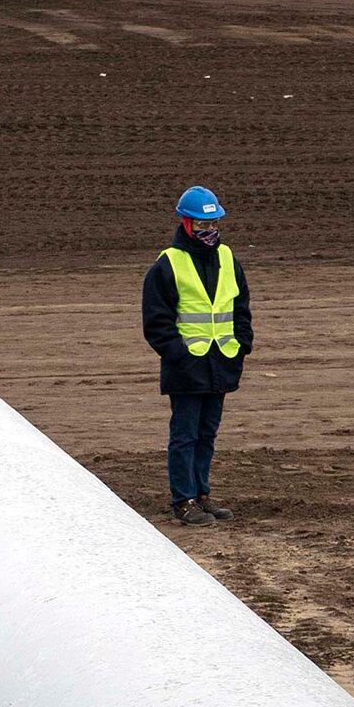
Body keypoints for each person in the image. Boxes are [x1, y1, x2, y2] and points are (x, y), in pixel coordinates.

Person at [143, 185, 251, 525]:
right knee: (185, 436)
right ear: (186, 223)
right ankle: (183, 500)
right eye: (203, 224)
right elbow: (156, 322)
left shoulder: (227, 258)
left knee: (206, 435)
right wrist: (178, 355)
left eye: (214, 223)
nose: (210, 230)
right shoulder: (168, 264)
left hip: (221, 363)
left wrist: (242, 344)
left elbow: (240, 307)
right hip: (187, 368)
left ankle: (202, 494)